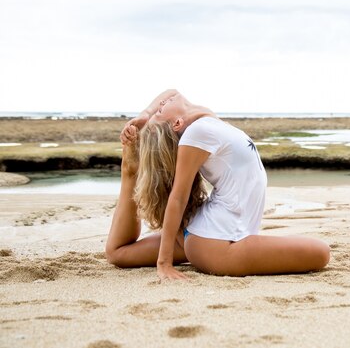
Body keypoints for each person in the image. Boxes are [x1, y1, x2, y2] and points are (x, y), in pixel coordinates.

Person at [105, 89, 330, 280]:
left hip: (208, 233)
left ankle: (130, 172)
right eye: (159, 111)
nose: (160, 104)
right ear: (177, 123)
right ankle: (130, 171)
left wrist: (145, 117)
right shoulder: (197, 132)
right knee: (321, 253)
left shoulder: (207, 120)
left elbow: (171, 91)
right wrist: (164, 263)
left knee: (118, 254)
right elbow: (178, 197)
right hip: (219, 244)